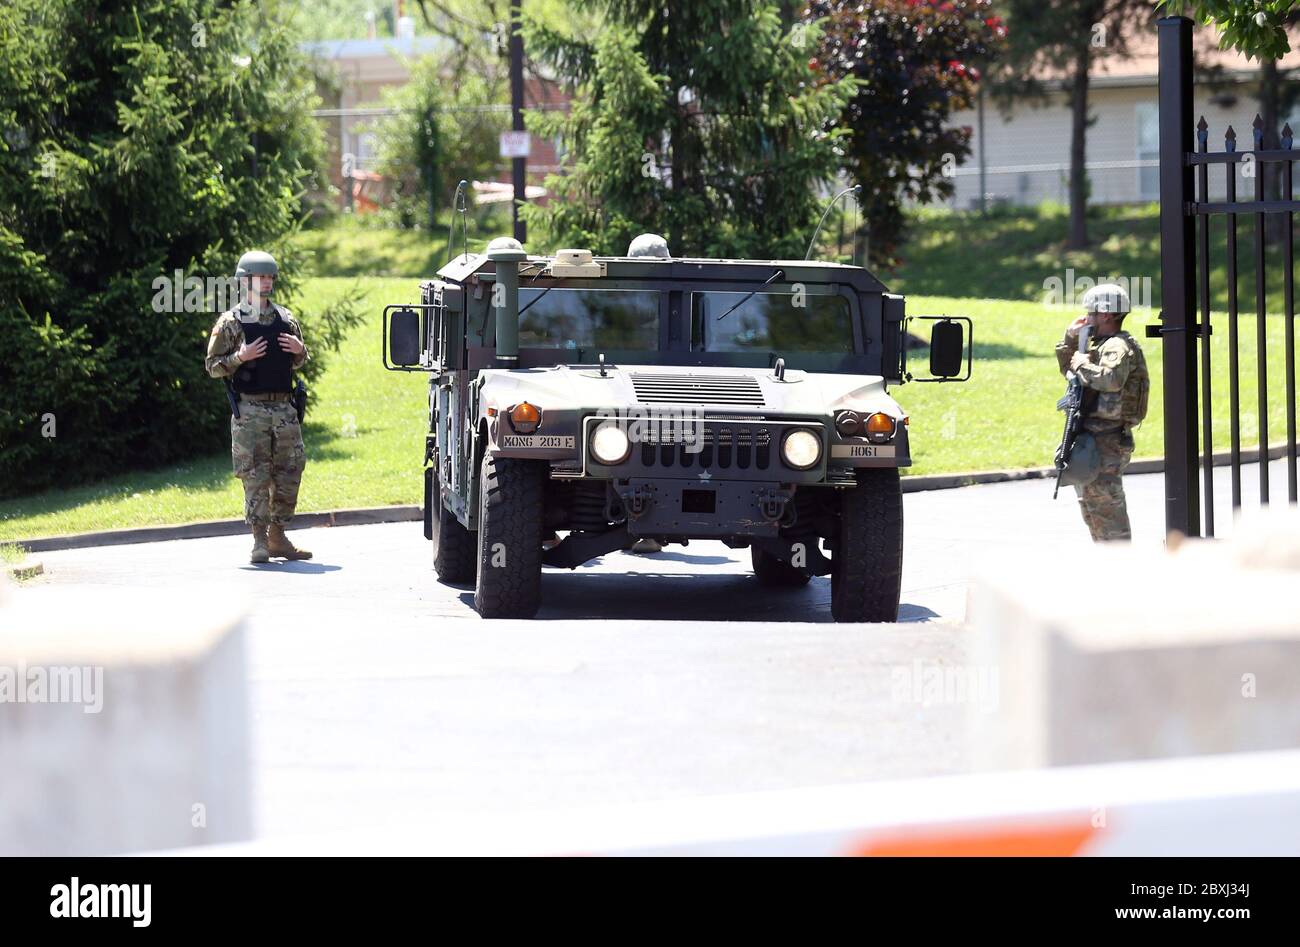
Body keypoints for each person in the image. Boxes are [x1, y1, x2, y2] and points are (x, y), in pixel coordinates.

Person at [205, 251, 312, 563]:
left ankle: (279, 536)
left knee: (291, 471)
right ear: (245, 281)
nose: (265, 283)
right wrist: (240, 357)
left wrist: (300, 351)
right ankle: (259, 542)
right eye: (258, 277)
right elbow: (212, 366)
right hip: (249, 412)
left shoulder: (286, 319)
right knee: (255, 476)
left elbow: (298, 362)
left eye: (269, 277)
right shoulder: (230, 322)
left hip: (284, 410)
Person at [1054, 283, 1150, 542]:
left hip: (1107, 439)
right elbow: (1071, 373)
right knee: (1093, 508)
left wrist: (1083, 363)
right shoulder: (1101, 344)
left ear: (1107, 315)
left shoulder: (1117, 346)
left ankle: (1119, 571)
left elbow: (1110, 380)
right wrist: (1071, 340)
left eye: (1092, 313)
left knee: (1107, 512)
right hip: (1093, 437)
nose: (1087, 318)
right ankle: (1108, 567)